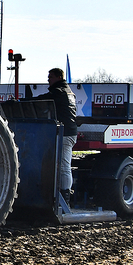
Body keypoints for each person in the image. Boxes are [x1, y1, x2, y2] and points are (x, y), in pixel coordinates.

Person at [35, 68, 77, 204]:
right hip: (68, 132)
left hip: (65, 134)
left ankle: (64, 198)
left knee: (64, 166)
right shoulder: (69, 92)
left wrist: (21, 101)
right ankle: (61, 195)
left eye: (51, 77)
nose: (48, 79)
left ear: (59, 77)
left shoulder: (59, 92)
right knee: (61, 165)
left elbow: (42, 100)